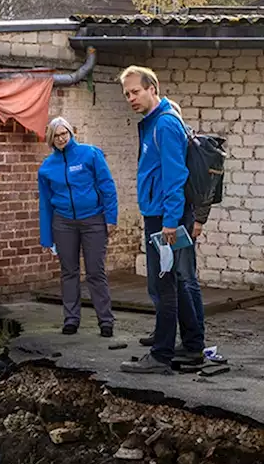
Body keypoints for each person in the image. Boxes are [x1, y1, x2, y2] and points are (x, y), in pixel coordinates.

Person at [118, 66, 203, 374]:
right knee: (176, 283)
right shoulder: (154, 122)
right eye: (127, 94)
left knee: (165, 283)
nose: (130, 98)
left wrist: (169, 222)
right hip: (160, 213)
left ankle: (161, 355)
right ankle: (193, 347)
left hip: (166, 217)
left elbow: (175, 176)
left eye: (135, 91)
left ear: (152, 88)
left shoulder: (165, 124)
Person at [37, 116, 119, 336]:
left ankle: (105, 321)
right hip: (63, 223)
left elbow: (107, 186)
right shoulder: (46, 168)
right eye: (57, 136)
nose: (62, 138)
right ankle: (71, 319)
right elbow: (45, 204)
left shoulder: (90, 154)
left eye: (65, 133)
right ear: (51, 140)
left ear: (71, 133)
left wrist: (110, 218)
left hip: (93, 220)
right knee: (69, 272)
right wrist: (46, 237)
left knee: (95, 271)